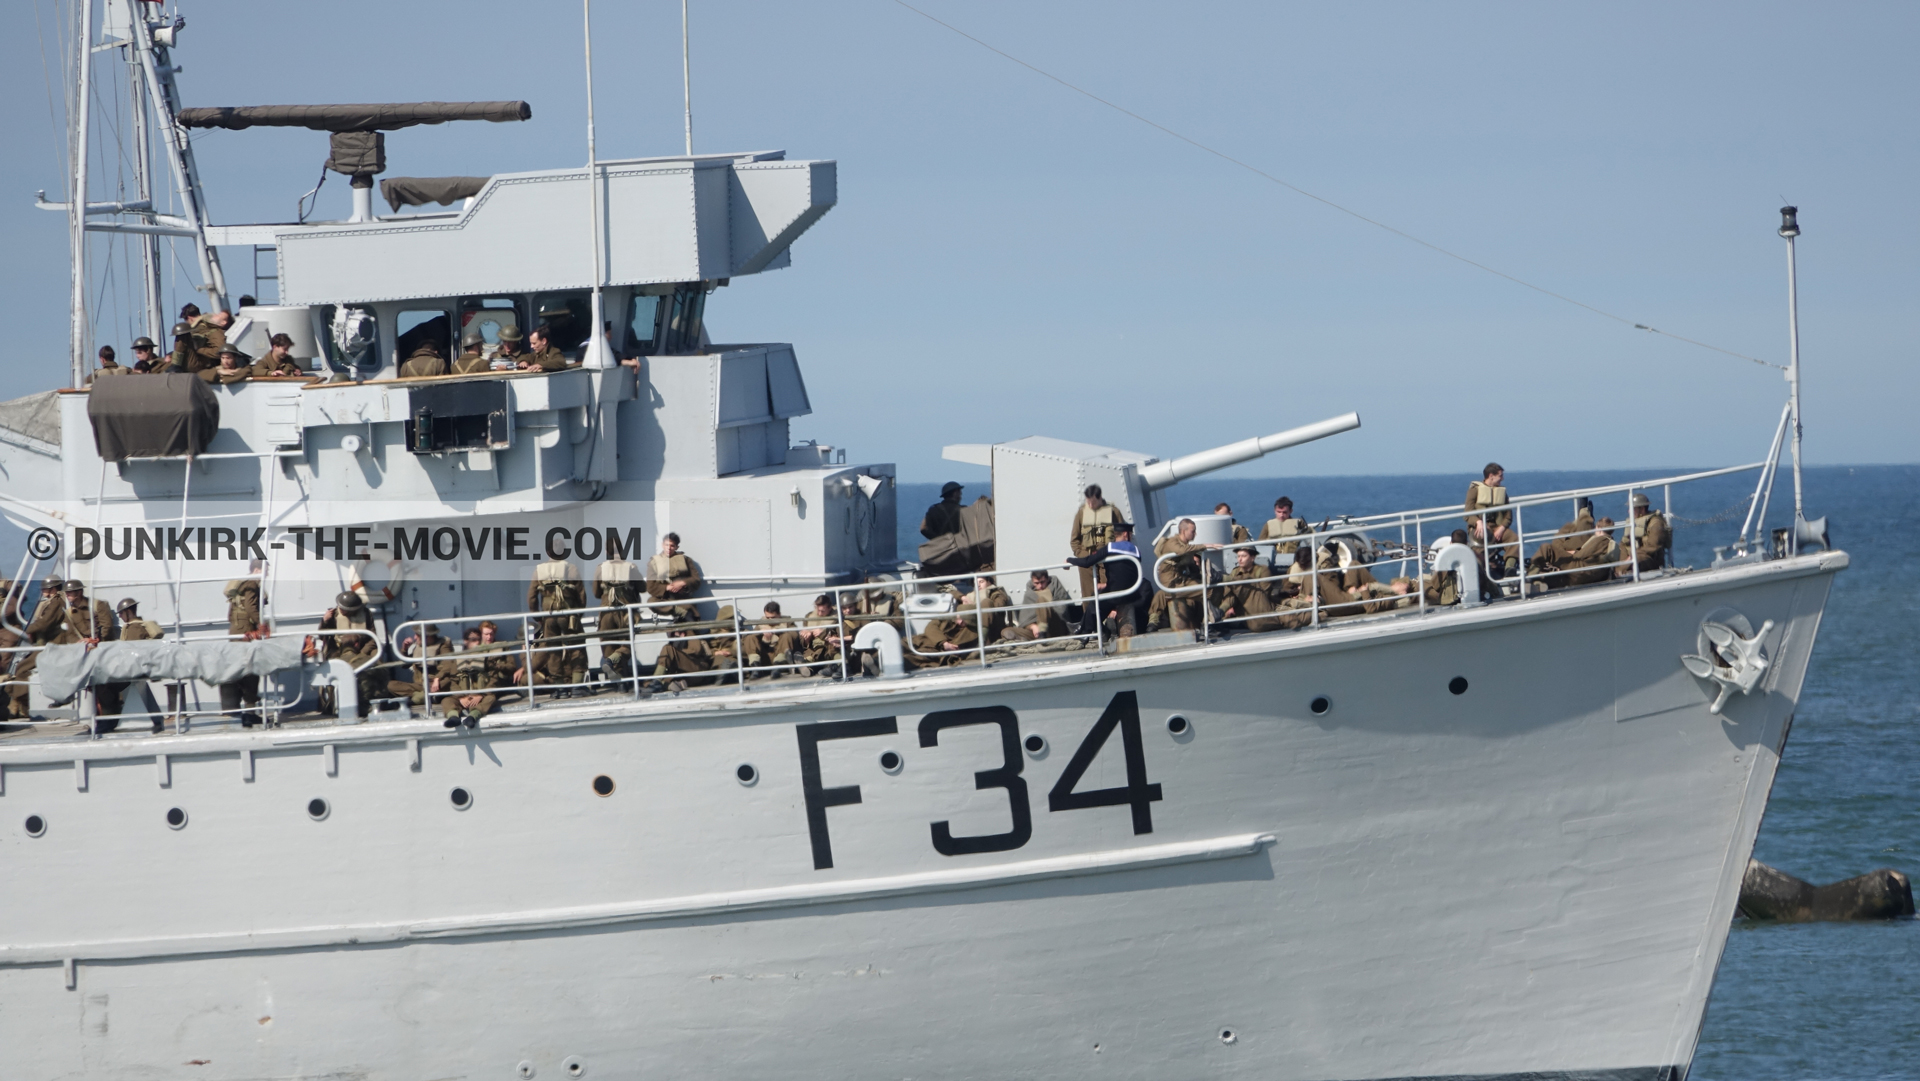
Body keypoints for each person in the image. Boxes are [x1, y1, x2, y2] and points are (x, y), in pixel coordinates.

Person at [1067, 520, 1144, 637]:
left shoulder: (1110, 548)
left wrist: (1070, 560)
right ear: (1125, 534)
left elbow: (1087, 562)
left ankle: (1084, 632)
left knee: (1095, 604)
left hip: (1118, 594)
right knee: (1100, 601)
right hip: (1134, 592)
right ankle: (1096, 630)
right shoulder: (1136, 550)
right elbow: (1125, 573)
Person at [526, 553, 587, 696]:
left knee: (553, 650)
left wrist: (537, 615)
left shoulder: (539, 570)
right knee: (577, 646)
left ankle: (560, 688)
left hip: (549, 616)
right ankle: (577, 685)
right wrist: (579, 613)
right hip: (569, 614)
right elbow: (581, 594)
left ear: (548, 553)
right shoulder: (571, 568)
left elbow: (531, 596)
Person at [312, 590, 379, 718]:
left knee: (376, 656)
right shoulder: (333, 615)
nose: (342, 610)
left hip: (361, 649)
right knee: (332, 664)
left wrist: (362, 653)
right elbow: (322, 636)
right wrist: (325, 621)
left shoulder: (365, 613)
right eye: (341, 607)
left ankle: (373, 697)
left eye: (345, 609)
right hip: (339, 650)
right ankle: (331, 703)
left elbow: (372, 638)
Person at [1147, 518, 1218, 632]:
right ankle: (1210, 621)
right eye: (1193, 531)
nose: (1195, 534)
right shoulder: (1172, 543)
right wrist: (1204, 545)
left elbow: (1191, 565)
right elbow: (1181, 550)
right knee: (1206, 591)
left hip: (1181, 581)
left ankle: (1209, 619)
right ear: (1183, 531)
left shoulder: (1186, 546)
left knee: (1208, 587)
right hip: (1172, 583)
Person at [114, 598, 168, 732]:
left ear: (128, 612)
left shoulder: (133, 628)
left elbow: (132, 651)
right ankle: (156, 719)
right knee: (143, 691)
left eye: (121, 613)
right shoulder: (138, 625)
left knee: (107, 688)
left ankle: (109, 722)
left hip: (136, 669)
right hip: (141, 668)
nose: (120, 616)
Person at [1211, 547, 1291, 632]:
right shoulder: (1235, 572)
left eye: (1244, 556)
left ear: (1252, 558)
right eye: (1238, 556)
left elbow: (1264, 593)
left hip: (1257, 607)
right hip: (1239, 608)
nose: (1240, 559)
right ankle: (1218, 613)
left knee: (1246, 585)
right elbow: (1230, 593)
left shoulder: (1262, 570)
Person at [593, 553, 643, 685]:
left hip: (606, 613)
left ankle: (619, 681)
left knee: (608, 645)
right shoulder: (631, 567)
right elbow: (643, 588)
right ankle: (615, 669)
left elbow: (596, 593)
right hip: (625, 612)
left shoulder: (600, 568)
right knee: (625, 645)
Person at [1464, 462, 1517, 578]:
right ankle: (1481, 573)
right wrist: (1478, 522)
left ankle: (1510, 569)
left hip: (1497, 527)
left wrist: (1502, 528)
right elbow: (1468, 512)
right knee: (1480, 546)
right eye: (1500, 476)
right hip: (1480, 527)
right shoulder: (1475, 490)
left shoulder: (1502, 492)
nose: (1502, 479)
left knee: (1513, 539)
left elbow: (1508, 515)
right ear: (1491, 476)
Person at [1068, 485, 1120, 599]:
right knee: (1088, 595)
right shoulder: (1081, 513)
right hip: (1087, 561)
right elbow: (1074, 540)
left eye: (1094, 502)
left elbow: (1123, 534)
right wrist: (1081, 555)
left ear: (1100, 497)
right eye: (1088, 502)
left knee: (1110, 592)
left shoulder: (1113, 511)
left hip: (1107, 558)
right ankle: (1090, 616)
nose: (1091, 505)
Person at [1003, 568, 1080, 642]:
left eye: (1042, 582)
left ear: (1047, 580)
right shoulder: (1029, 594)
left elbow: (1061, 610)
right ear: (1032, 582)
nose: (1040, 586)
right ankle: (1029, 638)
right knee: (1006, 631)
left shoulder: (1055, 588)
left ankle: (1042, 634)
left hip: (1055, 627)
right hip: (1036, 631)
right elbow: (1025, 619)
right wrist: (1033, 627)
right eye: (1036, 583)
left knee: (1041, 601)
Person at [386, 625, 453, 704]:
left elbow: (448, 665)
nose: (414, 637)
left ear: (427, 637)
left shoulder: (443, 647)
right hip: (419, 685)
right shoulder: (418, 646)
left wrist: (437, 678)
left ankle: (423, 697)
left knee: (444, 683)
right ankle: (420, 696)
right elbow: (404, 665)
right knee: (390, 685)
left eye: (417, 635)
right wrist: (405, 649)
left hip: (434, 684)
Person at [645, 533, 703, 622]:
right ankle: (680, 611)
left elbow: (696, 580)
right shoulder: (654, 562)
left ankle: (686, 614)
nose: (669, 548)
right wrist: (667, 587)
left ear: (677, 547)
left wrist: (683, 583)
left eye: (672, 546)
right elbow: (650, 586)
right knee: (651, 602)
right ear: (662, 545)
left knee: (691, 627)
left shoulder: (686, 560)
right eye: (666, 545)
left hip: (682, 597)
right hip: (664, 599)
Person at [954, 573, 1015, 645]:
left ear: (989, 582)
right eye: (975, 583)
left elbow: (999, 607)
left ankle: (982, 641)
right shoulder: (969, 596)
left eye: (981, 582)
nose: (978, 585)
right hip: (973, 626)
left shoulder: (996, 593)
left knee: (986, 602)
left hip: (993, 626)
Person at [796, 594, 848, 675]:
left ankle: (807, 663)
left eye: (823, 611)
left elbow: (838, 634)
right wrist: (807, 637)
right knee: (808, 652)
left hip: (828, 646)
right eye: (818, 610)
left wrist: (823, 632)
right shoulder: (808, 616)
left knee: (825, 651)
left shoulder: (837, 617)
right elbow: (805, 641)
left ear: (830, 608)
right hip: (812, 647)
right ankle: (807, 667)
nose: (819, 613)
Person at [1620, 493, 1671, 575]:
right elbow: (1624, 543)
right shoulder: (1633, 522)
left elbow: (1653, 546)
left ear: (1642, 509)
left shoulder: (1655, 523)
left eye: (1633, 509)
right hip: (1633, 555)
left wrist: (1632, 556)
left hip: (1650, 559)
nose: (1629, 511)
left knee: (1633, 564)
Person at [745, 601, 799, 676]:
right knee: (750, 637)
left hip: (779, 654)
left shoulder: (787, 622)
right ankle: (755, 668)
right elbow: (751, 638)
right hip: (765, 655)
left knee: (786, 636)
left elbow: (795, 634)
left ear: (779, 615)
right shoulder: (761, 623)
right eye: (767, 618)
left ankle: (778, 667)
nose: (770, 620)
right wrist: (760, 632)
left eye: (773, 618)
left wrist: (778, 631)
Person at [908, 614, 980, 668]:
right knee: (899, 646)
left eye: (965, 620)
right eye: (960, 617)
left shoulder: (970, 633)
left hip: (935, 651)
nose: (960, 621)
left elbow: (958, 647)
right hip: (920, 640)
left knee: (909, 659)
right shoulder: (946, 618)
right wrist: (944, 642)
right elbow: (930, 628)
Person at [1258, 497, 1309, 561]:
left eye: (1284, 512)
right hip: (1273, 558)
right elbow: (1260, 543)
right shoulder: (1268, 525)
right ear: (1274, 511)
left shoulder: (1299, 523)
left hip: (1295, 557)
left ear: (1290, 511)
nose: (1281, 515)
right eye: (1279, 512)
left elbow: (1310, 539)